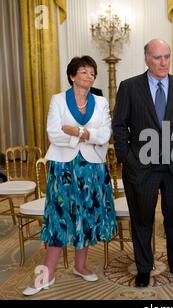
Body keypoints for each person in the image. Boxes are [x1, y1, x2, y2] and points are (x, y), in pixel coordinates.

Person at [23, 56, 117, 295]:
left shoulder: (101, 101)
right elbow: (54, 134)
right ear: (73, 76)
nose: (89, 76)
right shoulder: (58, 100)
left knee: (86, 215)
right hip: (64, 168)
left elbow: (105, 134)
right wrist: (87, 134)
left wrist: (76, 131)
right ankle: (49, 274)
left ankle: (80, 266)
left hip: (92, 168)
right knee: (60, 217)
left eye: (92, 73)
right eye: (84, 72)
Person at [112, 39, 173, 287]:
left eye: (167, 57)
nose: (163, 62)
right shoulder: (129, 87)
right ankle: (143, 268)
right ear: (147, 58)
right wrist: (126, 157)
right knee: (142, 220)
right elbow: (119, 125)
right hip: (141, 168)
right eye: (158, 57)